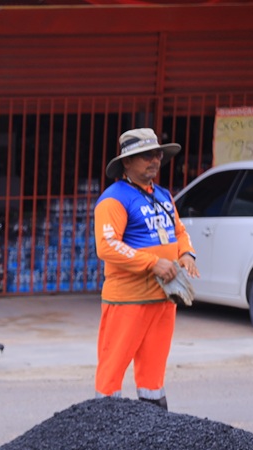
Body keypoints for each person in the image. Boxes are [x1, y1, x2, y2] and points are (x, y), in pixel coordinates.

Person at [93, 128, 198, 410]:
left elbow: (179, 231)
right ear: (126, 162)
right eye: (145, 156)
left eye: (157, 154)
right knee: (112, 368)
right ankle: (102, 429)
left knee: (154, 373)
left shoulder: (163, 195)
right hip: (127, 299)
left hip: (164, 299)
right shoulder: (113, 198)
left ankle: (154, 429)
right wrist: (153, 262)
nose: (154, 160)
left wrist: (186, 253)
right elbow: (107, 246)